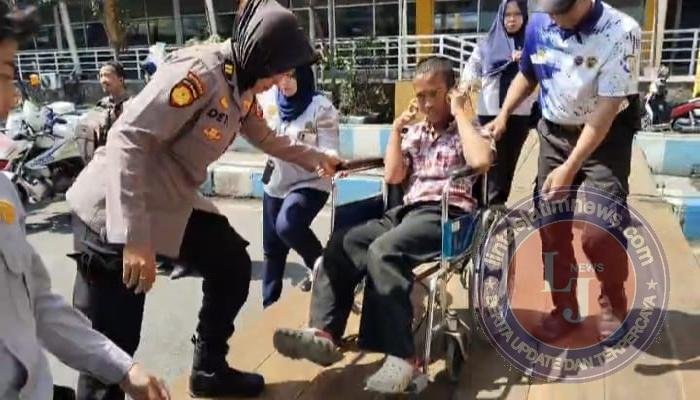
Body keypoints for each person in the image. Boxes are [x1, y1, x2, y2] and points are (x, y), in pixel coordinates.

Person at [65, 0, 342, 398]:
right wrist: (135, 237)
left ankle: (209, 368)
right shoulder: (199, 73)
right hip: (115, 206)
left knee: (231, 264)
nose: (281, 80)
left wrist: (318, 159)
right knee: (112, 346)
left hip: (169, 200)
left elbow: (266, 137)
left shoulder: (242, 85)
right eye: (278, 70)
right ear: (258, 55)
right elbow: (128, 137)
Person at [273, 56, 493, 394]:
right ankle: (324, 332)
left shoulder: (470, 129)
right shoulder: (415, 133)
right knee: (344, 241)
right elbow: (393, 176)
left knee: (384, 250)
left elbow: (480, 160)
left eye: (434, 94)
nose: (426, 104)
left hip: (446, 215)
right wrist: (395, 130)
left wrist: (460, 112)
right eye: (420, 96)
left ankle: (405, 358)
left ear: (450, 92)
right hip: (407, 212)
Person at [0, 2, 169, 399]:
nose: (10, 99)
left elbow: (38, 302)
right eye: (5, 75)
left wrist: (123, 368)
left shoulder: (5, 193)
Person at [486, 0, 641, 343]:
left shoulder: (621, 31)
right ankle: (565, 309)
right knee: (551, 227)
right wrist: (504, 114)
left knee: (601, 230)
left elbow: (607, 109)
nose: (553, 19)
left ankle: (613, 300)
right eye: (550, 11)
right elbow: (528, 74)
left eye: (561, 12)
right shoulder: (540, 23)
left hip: (607, 137)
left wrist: (570, 168)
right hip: (555, 133)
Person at [258, 65, 339, 307]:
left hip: (310, 181)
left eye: (291, 75)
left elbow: (330, 148)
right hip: (276, 181)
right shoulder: (267, 98)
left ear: (303, 75)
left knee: (288, 225)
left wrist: (330, 160)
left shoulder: (320, 107)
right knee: (272, 249)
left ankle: (324, 268)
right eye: (281, 75)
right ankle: (269, 305)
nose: (285, 82)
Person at [460, 0, 535, 205]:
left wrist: (526, 59)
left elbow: (542, 68)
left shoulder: (532, 44)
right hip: (488, 113)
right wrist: (469, 84)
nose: (511, 19)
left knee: (506, 165)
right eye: (507, 15)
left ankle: (497, 206)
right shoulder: (486, 44)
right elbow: (472, 68)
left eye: (517, 14)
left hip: (518, 116)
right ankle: (480, 204)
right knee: (485, 162)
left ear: (524, 16)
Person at [76, 61, 130, 163]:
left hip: (123, 160)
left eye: (107, 75)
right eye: (101, 76)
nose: (103, 80)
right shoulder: (101, 105)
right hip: (102, 161)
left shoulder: (132, 105)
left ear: (121, 80)